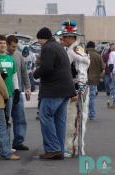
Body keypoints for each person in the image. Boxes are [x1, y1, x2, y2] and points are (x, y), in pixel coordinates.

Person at [33, 27, 76, 160]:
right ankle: (59, 149)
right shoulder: (57, 46)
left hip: (53, 90)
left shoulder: (48, 48)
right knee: (59, 120)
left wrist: (36, 73)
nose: (38, 43)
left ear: (41, 38)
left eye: (38, 40)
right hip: (65, 90)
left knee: (45, 116)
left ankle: (53, 149)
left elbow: (47, 68)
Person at [59, 20, 90, 157]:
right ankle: (72, 147)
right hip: (72, 88)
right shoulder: (69, 50)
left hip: (78, 89)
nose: (63, 39)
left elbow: (82, 74)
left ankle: (76, 148)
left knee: (79, 118)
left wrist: (77, 91)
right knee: (71, 119)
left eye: (65, 37)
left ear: (71, 38)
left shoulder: (77, 51)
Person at [7, 35, 31, 150]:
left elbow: (24, 72)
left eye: (16, 47)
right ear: (7, 44)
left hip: (18, 92)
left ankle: (18, 142)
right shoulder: (0, 56)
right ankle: (5, 143)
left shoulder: (19, 56)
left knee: (20, 118)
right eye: (12, 46)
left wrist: (28, 88)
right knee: (5, 119)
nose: (14, 49)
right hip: (5, 93)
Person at [0, 35, 20, 141]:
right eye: (0, 43)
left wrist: (16, 90)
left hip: (9, 94)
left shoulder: (10, 59)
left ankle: (7, 144)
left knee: (8, 120)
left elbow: (14, 76)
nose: (3, 45)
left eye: (4, 43)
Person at [86, 41, 104, 119]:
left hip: (83, 80)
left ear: (87, 47)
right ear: (94, 47)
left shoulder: (84, 55)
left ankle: (84, 114)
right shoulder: (98, 56)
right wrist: (99, 77)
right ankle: (92, 115)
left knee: (83, 98)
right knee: (92, 97)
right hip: (94, 80)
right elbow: (103, 69)